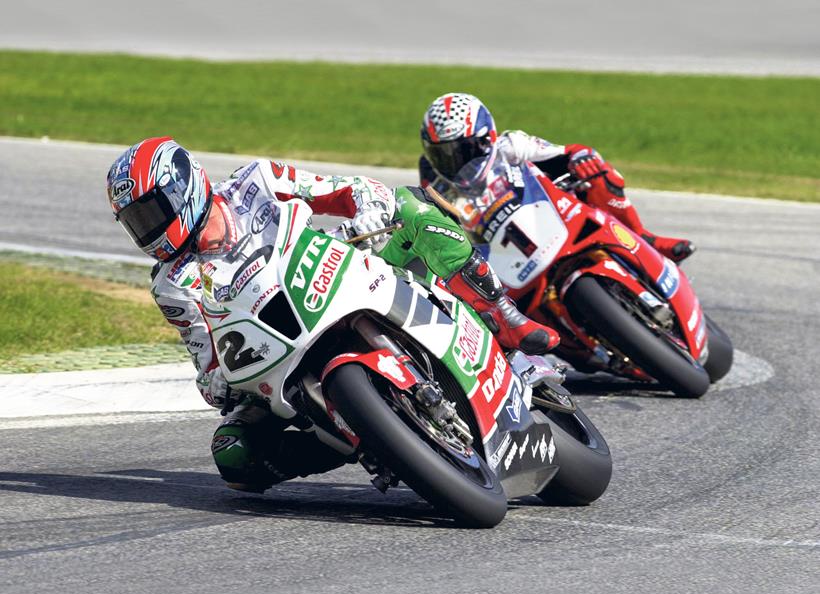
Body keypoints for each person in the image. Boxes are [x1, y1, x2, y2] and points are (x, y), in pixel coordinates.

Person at [106, 137, 559, 493]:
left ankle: (503, 313)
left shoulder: (255, 183)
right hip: (280, 354)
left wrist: (366, 209)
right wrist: (217, 384)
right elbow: (204, 356)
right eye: (133, 222)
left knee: (410, 206)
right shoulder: (172, 283)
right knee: (234, 456)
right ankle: (361, 438)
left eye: (149, 213)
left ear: (183, 187)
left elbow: (343, 191)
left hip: (339, 274)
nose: (145, 230)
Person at [419, 92, 695, 262]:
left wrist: (582, 160)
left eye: (461, 151)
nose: (455, 162)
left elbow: (570, 153)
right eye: (443, 155)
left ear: (486, 138)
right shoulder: (439, 189)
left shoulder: (511, 146)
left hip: (553, 220)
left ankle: (644, 239)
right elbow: (439, 237)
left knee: (599, 173)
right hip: (503, 261)